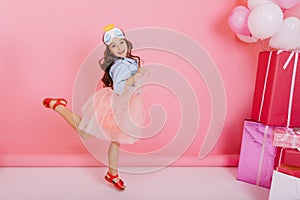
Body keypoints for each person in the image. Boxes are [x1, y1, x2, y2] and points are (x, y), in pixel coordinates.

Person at [42, 24, 145, 191]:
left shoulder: (129, 61)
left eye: (121, 43)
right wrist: (135, 79)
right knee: (85, 131)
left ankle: (112, 174)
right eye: (113, 45)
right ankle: (58, 106)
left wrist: (138, 81)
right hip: (114, 104)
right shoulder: (119, 65)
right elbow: (119, 89)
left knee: (116, 141)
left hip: (126, 105)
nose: (119, 48)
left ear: (127, 43)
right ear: (109, 50)